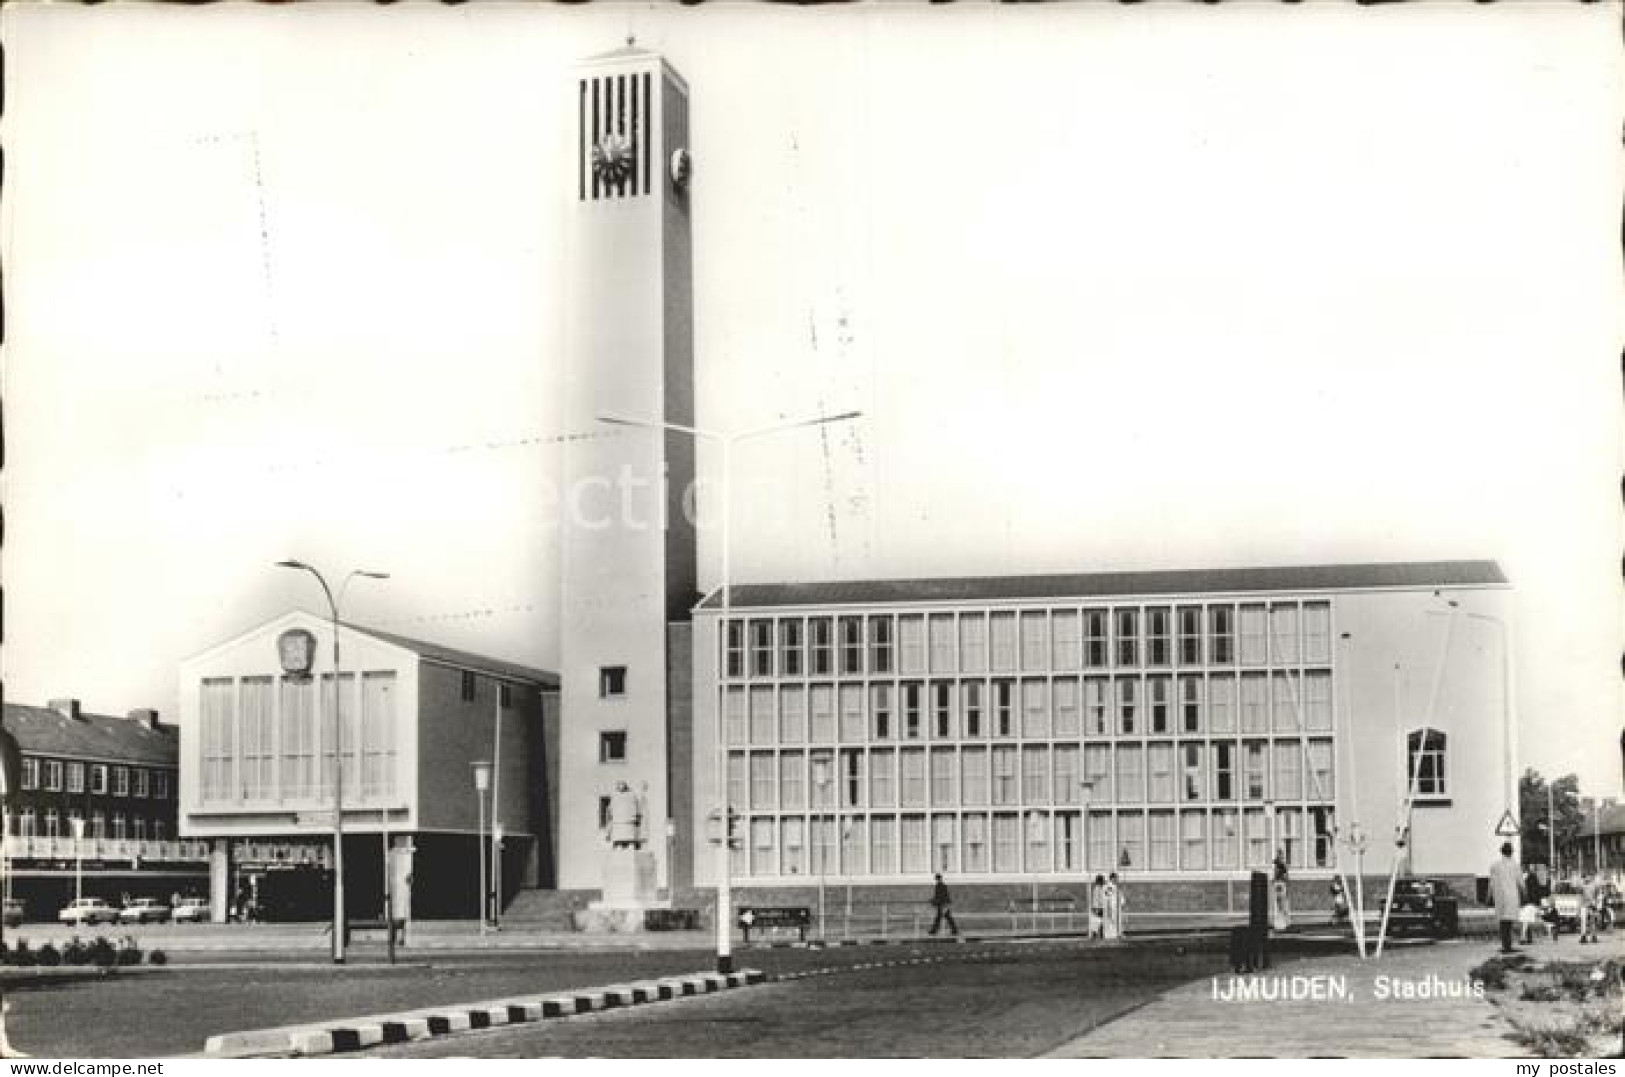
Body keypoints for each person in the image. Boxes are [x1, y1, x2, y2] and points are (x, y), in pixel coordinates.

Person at [1488, 842, 1523, 954]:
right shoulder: (1515, 865)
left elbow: (1491, 883)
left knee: (1503, 922)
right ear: (1511, 852)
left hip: (1499, 897)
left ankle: (1505, 945)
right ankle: (1507, 946)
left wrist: (1488, 896)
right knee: (1509, 921)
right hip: (1512, 896)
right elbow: (1521, 882)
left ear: (1501, 852)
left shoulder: (1494, 865)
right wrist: (1525, 894)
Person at [1271, 852, 1291, 931]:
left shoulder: (1282, 869)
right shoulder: (1283, 869)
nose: (1275, 868)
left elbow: (1284, 877)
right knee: (1281, 904)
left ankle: (1283, 922)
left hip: (1280, 884)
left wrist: (1276, 880)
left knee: (1281, 904)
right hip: (1280, 884)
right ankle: (1283, 922)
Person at [1578, 874, 1600, 944]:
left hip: (1590, 905)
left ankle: (1592, 936)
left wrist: (1595, 903)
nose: (1586, 878)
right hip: (1585, 905)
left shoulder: (1594, 886)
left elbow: (1596, 895)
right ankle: (1585, 936)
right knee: (1585, 921)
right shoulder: (1583, 886)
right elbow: (1580, 895)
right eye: (1585, 877)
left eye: (1588, 877)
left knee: (1591, 921)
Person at [1102, 873, 1123, 940]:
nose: (1117, 879)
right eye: (1116, 878)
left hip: (1116, 907)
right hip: (1111, 907)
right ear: (1112, 878)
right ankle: (1110, 935)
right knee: (1110, 921)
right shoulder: (1108, 887)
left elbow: (1119, 896)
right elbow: (1107, 898)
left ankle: (1118, 934)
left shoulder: (1115, 886)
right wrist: (1109, 908)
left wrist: (1121, 902)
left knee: (1116, 921)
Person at [1089, 874, 1106, 940]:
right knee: (1097, 922)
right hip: (1098, 908)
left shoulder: (1101, 888)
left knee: (1101, 922)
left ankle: (1100, 935)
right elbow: (1096, 899)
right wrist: (1096, 908)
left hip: (1100, 907)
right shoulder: (1097, 888)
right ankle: (1095, 936)